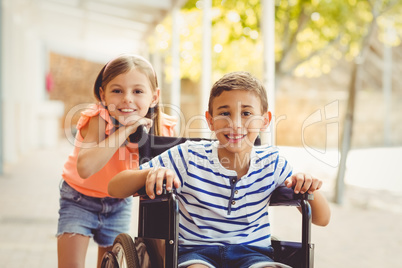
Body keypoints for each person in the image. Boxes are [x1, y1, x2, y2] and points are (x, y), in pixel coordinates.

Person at [108, 71, 331, 268]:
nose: (235, 123)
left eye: (246, 113)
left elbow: (322, 219)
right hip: (195, 253)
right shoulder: (188, 156)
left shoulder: (272, 162)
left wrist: (307, 186)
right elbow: (114, 187)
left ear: (265, 121)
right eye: (224, 113)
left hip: (253, 254)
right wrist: (149, 173)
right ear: (210, 120)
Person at [56, 54, 177, 268]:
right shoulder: (99, 118)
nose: (127, 99)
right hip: (78, 199)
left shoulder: (164, 127)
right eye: (117, 91)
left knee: (109, 263)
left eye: (138, 91)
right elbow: (85, 168)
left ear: (154, 96)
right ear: (103, 94)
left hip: (118, 202)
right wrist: (127, 129)